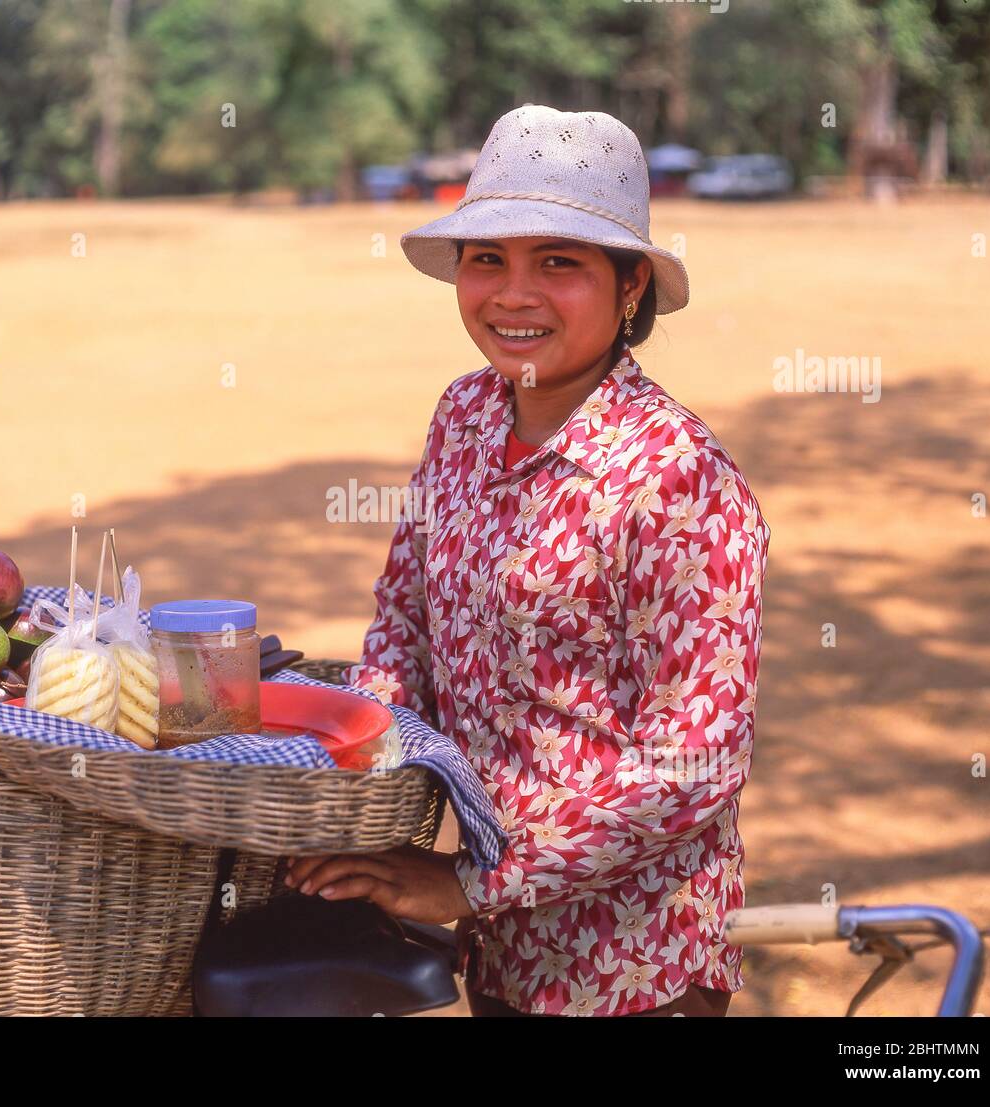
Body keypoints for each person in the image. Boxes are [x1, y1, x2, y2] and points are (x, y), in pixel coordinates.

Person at [285, 105, 771, 1017]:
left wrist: (474, 880)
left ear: (632, 288)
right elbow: (404, 620)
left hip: (631, 965)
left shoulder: (676, 478)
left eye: (559, 262)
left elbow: (694, 764)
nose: (512, 294)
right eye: (487, 259)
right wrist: (349, 771)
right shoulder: (464, 417)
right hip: (498, 952)